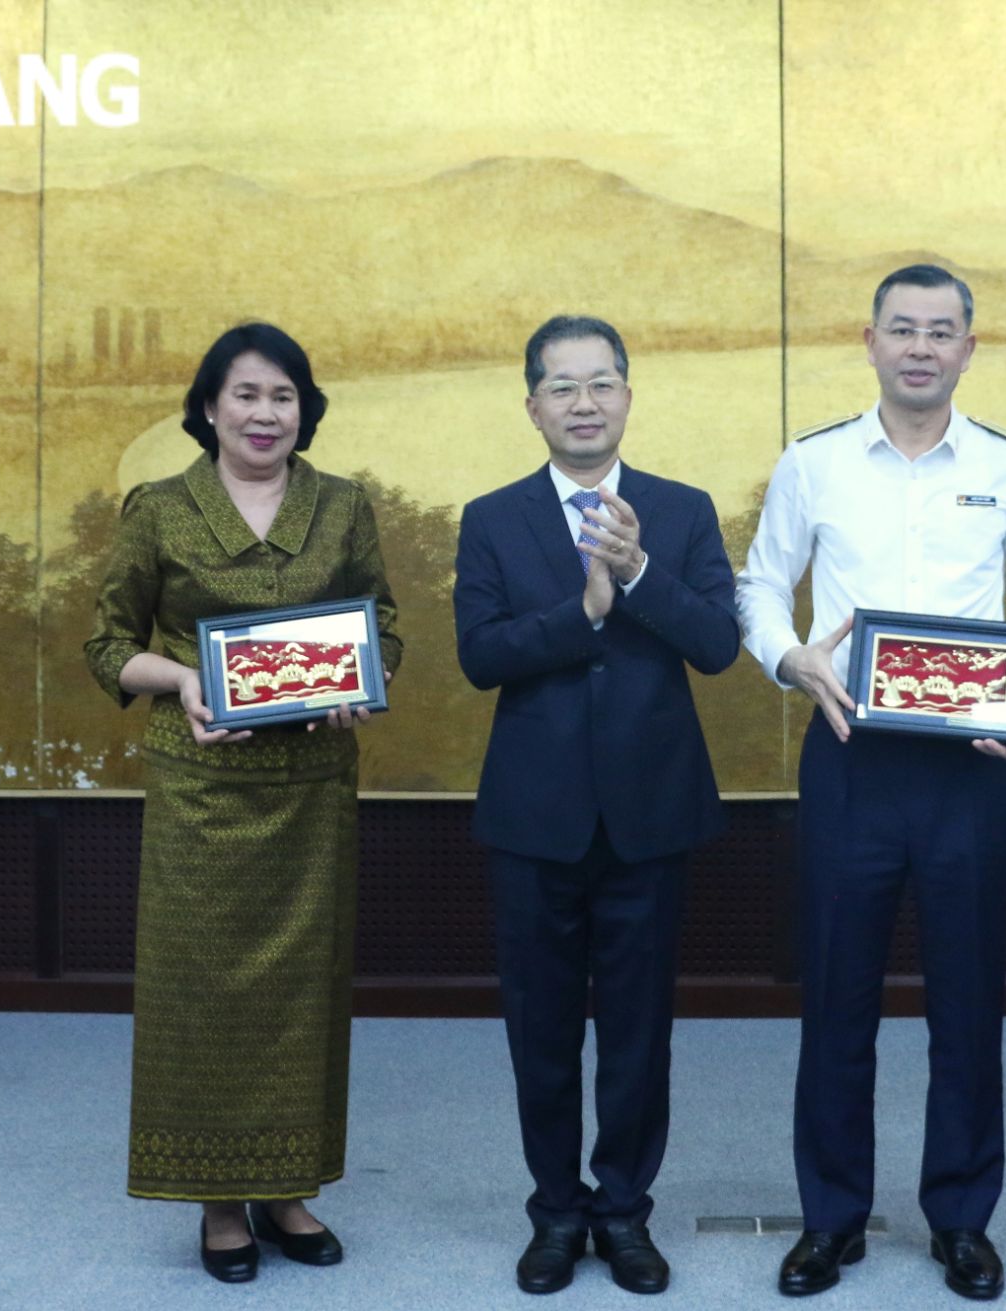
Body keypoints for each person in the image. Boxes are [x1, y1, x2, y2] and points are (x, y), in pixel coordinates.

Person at [735, 265, 1006, 1300]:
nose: (920, 347)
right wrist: (790, 659)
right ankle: (830, 1219)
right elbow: (758, 584)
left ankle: (961, 1219)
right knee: (836, 1000)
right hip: (849, 760)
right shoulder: (814, 463)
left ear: (969, 349)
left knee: (965, 1003)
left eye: (941, 331)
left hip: (970, 769)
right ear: (870, 342)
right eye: (902, 329)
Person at [85, 322, 400, 1282]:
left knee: (303, 997)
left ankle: (288, 1187)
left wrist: (363, 676)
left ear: (304, 411)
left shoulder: (342, 508)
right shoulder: (161, 509)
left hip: (310, 794)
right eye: (248, 395)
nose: (266, 414)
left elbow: (381, 623)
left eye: (285, 397)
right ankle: (220, 1203)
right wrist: (181, 679)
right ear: (211, 407)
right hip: (202, 793)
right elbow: (107, 645)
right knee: (206, 996)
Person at [453, 315, 741, 1295]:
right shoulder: (492, 517)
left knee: (636, 1030)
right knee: (538, 1030)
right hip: (533, 820)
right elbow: (480, 655)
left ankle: (623, 1213)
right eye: (561, 387)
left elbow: (714, 644)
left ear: (627, 396)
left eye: (600, 384)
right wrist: (579, 613)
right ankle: (553, 1214)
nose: (583, 402)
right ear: (531, 404)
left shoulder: (681, 509)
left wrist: (640, 574)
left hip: (651, 816)